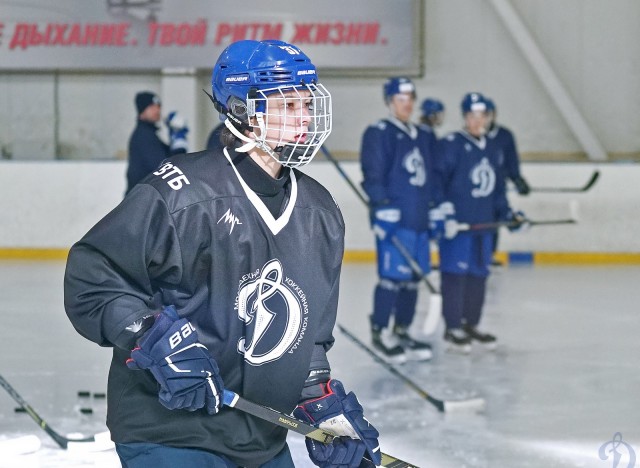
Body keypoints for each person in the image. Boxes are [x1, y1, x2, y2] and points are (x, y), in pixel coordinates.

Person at [64, 39, 381, 468]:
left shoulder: (320, 212)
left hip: (261, 436)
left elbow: (309, 338)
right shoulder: (181, 193)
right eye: (288, 106)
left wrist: (320, 400)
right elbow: (93, 277)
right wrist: (150, 335)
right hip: (170, 432)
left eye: (306, 104)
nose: (305, 118)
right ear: (242, 111)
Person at [436, 92, 527, 353]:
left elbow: (498, 190)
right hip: (459, 227)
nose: (477, 121)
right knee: (455, 275)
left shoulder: (493, 147)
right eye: (472, 115)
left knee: (479, 275)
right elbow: (437, 182)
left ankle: (471, 324)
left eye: (482, 115)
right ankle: (452, 326)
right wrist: (444, 213)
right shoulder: (451, 144)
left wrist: (508, 215)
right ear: (465, 117)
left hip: (484, 226)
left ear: (489, 118)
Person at [359, 76, 440, 364]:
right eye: (400, 100)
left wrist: (437, 208)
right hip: (394, 219)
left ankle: (402, 329)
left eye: (410, 100)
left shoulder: (424, 135)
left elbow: (433, 176)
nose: (406, 105)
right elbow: (373, 173)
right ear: (390, 102)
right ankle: (380, 331)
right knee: (392, 279)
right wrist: (380, 207)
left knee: (413, 280)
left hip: (419, 219)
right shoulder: (379, 133)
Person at [485, 97, 530, 266]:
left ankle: (489, 254)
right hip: (476, 189)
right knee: (480, 221)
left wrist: (517, 178)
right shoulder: (470, 136)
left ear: (494, 115)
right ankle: (479, 254)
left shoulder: (504, 136)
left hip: (498, 187)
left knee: (496, 220)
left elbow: (511, 160)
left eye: (488, 114)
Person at [125, 91, 189, 194]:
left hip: (142, 198)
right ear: (142, 110)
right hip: (140, 200)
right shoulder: (143, 136)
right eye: (151, 106)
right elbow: (165, 167)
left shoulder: (149, 134)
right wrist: (178, 145)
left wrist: (177, 141)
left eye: (158, 106)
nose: (157, 110)